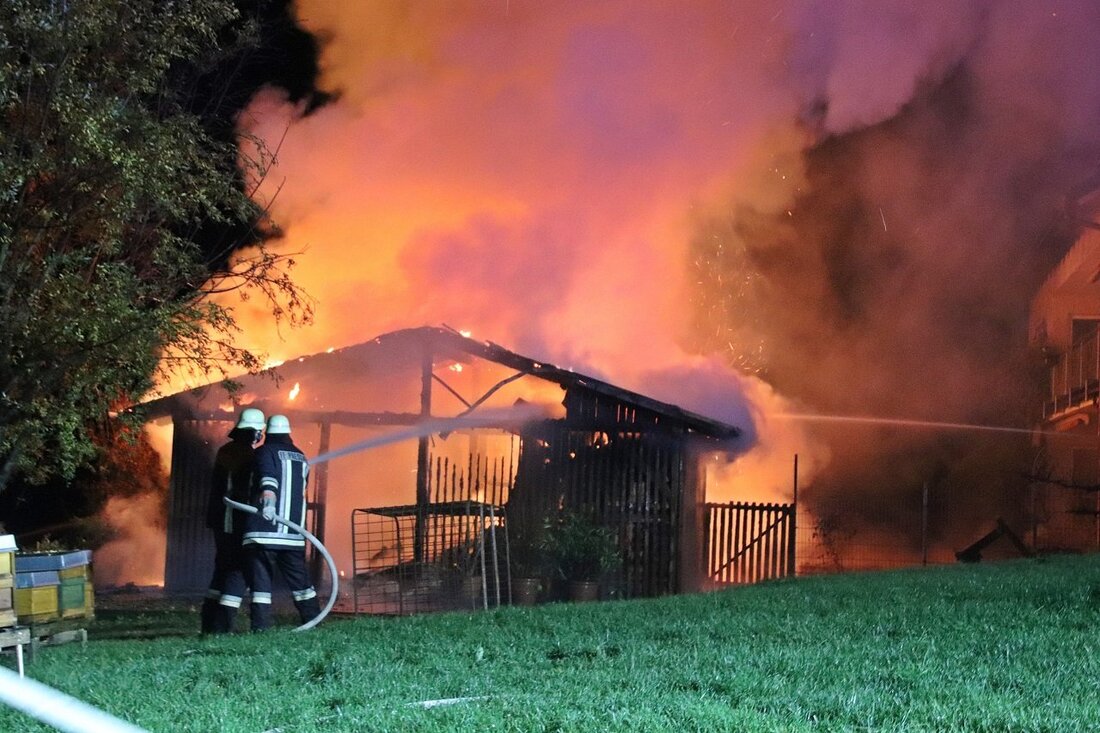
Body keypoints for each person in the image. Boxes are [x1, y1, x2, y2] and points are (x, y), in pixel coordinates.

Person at [241, 414, 320, 630]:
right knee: (301, 584)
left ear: (268, 433)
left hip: (263, 532)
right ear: (288, 433)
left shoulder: (264, 452)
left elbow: (268, 478)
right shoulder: (301, 457)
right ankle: (312, 621)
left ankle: (261, 627)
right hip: (292, 535)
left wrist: (268, 502)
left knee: (261, 584)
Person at [202, 407, 265, 634]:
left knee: (223, 571)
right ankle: (221, 624)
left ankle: (210, 622)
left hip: (222, 520)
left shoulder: (227, 450)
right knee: (236, 570)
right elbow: (241, 488)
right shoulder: (245, 454)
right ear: (255, 433)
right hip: (232, 521)